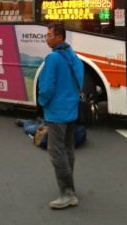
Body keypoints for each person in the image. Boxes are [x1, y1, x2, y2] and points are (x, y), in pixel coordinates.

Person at [37, 23, 84, 209]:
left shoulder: (53, 58)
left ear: (59, 37)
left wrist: (41, 101)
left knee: (57, 152)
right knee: (68, 148)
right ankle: (70, 186)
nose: (46, 38)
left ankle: (67, 194)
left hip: (57, 113)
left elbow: (47, 88)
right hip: (72, 111)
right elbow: (79, 79)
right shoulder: (73, 56)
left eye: (49, 35)